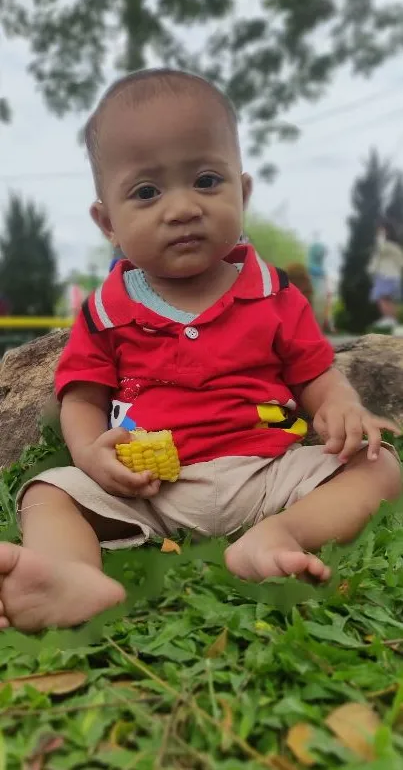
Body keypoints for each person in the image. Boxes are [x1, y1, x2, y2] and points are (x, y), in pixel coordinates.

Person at [0, 69, 400, 633]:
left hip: (266, 472)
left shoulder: (272, 293)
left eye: (207, 180)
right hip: (151, 491)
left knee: (378, 467)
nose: (183, 207)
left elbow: (316, 373)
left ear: (244, 190)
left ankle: (278, 536)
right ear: (108, 222)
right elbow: (82, 396)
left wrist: (338, 404)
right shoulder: (107, 310)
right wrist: (91, 455)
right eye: (147, 192)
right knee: (49, 490)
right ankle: (70, 576)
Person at [369, 222, 403, 330]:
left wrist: (380, 235)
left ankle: (389, 319)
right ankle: (392, 320)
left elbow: (380, 248)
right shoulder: (395, 247)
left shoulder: (386, 246)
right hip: (393, 276)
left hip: (385, 275)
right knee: (388, 299)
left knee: (382, 298)